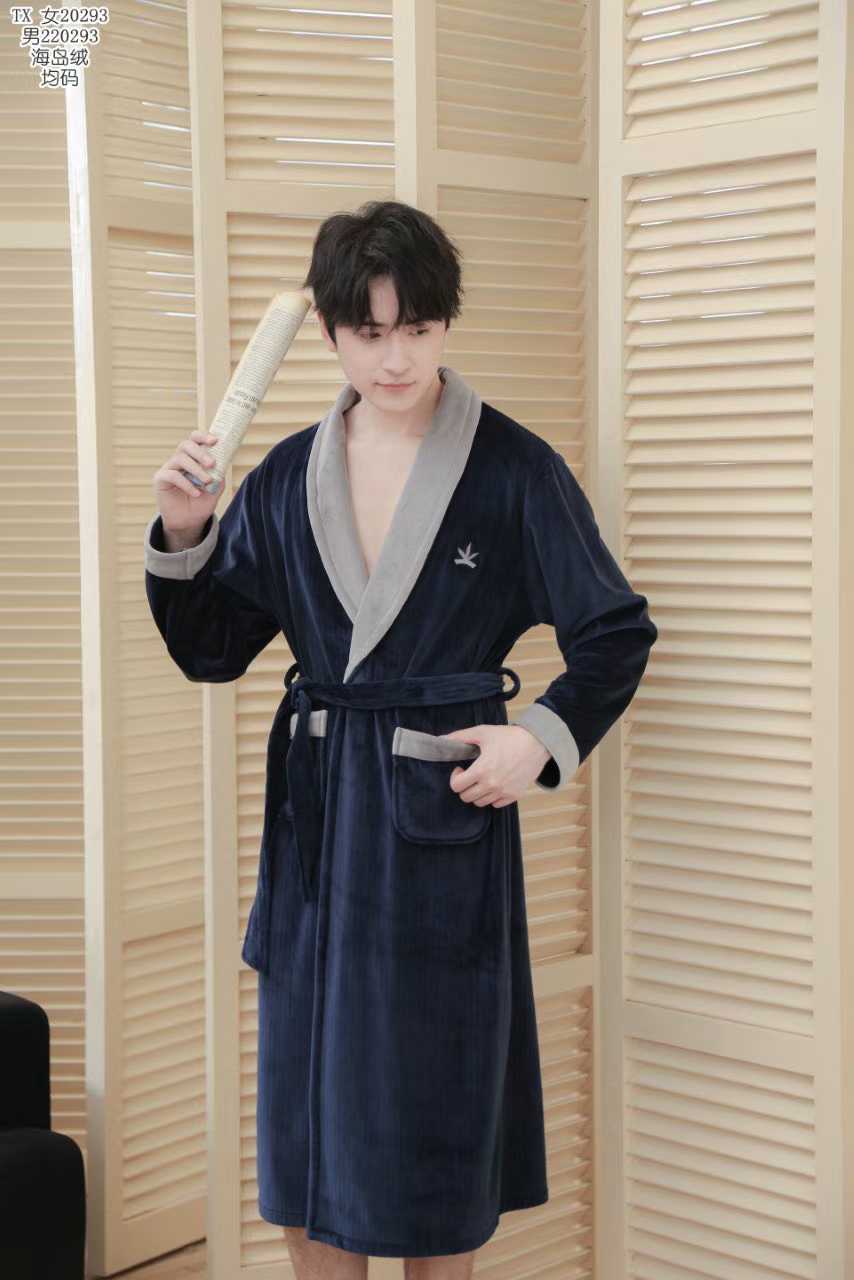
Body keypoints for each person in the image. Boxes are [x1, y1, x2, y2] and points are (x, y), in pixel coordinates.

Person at [144, 200, 658, 1279]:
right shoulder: (287, 475)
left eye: (416, 328)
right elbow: (211, 649)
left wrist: (536, 739)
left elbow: (612, 630)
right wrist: (185, 531)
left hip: (440, 837)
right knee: (308, 1133)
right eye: (369, 331)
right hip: (316, 836)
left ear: (444, 322)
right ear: (331, 333)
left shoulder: (512, 469)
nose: (395, 357)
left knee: (434, 1133)